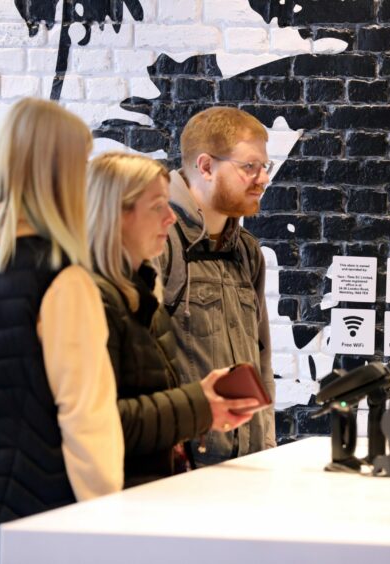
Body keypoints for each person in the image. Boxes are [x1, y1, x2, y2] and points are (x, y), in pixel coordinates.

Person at [0, 98, 123, 564]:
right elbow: (87, 416)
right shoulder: (61, 279)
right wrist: (107, 515)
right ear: (58, 175)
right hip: (36, 512)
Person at [86, 152, 263, 487]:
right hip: (112, 503)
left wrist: (204, 407)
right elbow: (102, 421)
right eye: (157, 206)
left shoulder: (139, 295)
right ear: (115, 214)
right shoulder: (93, 300)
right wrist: (200, 403)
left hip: (146, 493)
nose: (170, 218)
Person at [156, 106, 276, 466]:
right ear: (206, 166)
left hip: (244, 467)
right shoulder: (161, 242)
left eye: (264, 167)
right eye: (249, 166)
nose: (263, 178)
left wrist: (266, 449)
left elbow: (262, 360)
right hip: (181, 475)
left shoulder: (246, 251)